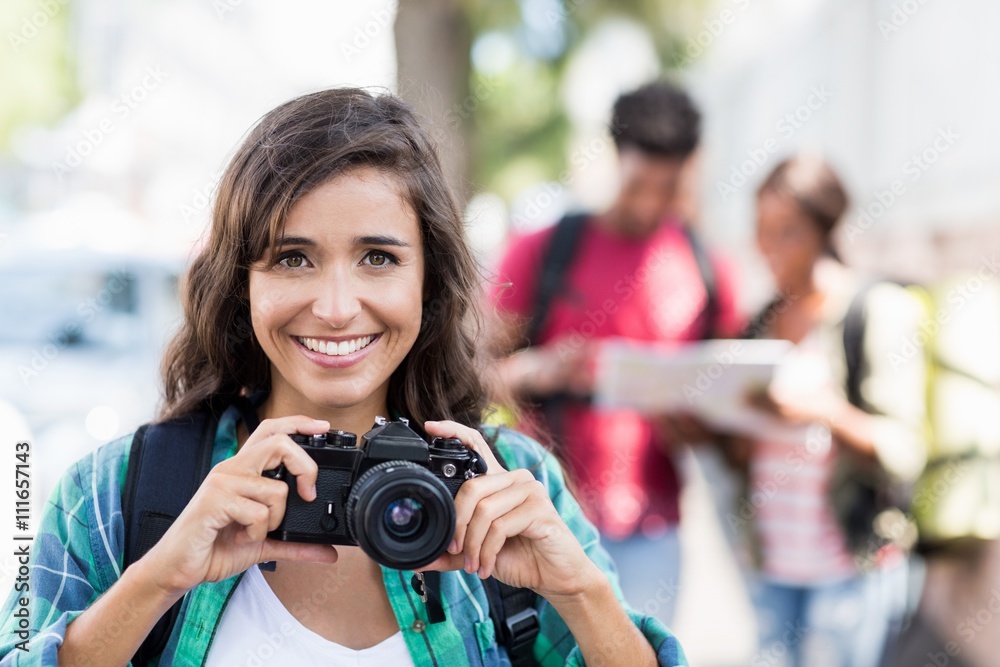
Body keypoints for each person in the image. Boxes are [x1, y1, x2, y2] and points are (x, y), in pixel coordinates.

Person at [0, 88, 687, 666]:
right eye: (292, 259)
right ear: (242, 283)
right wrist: (158, 577)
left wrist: (582, 594)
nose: (333, 308)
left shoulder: (513, 487)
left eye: (379, 259)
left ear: (430, 280)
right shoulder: (113, 494)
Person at [489, 81, 740, 625]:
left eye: (668, 188)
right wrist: (538, 369)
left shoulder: (705, 266)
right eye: (638, 185)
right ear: (614, 160)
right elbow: (467, 377)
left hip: (655, 529)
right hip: (544, 516)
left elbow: (731, 407)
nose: (650, 204)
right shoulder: (544, 251)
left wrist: (698, 420)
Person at [710, 155, 927, 667]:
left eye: (788, 232)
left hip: (847, 567)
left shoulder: (871, 311)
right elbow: (744, 453)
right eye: (762, 231)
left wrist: (821, 411)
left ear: (824, 230)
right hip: (773, 565)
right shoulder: (761, 321)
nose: (770, 248)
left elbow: (905, 447)